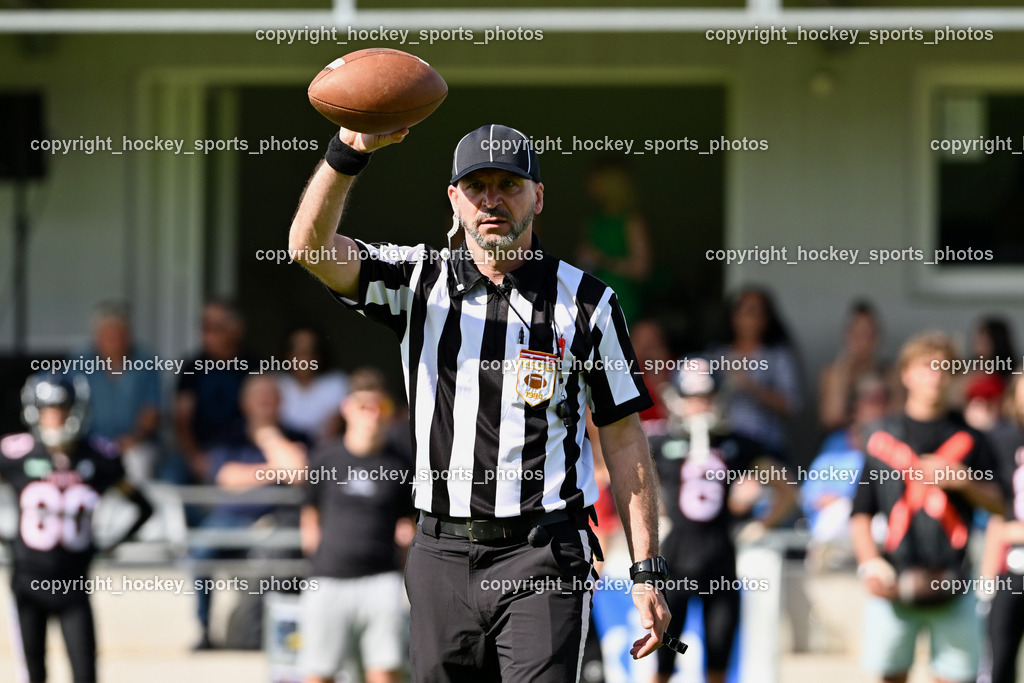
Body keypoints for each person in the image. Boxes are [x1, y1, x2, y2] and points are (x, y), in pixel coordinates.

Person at [288, 123, 670, 681]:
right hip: (440, 552)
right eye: (476, 186)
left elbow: (622, 433)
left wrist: (646, 569)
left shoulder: (588, 302)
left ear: (538, 197)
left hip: (544, 554)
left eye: (508, 185)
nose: (492, 200)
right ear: (454, 199)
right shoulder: (418, 281)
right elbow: (308, 248)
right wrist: (348, 152)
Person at [850, 332, 1004, 683]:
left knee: (953, 677)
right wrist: (869, 564)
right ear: (905, 374)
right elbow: (860, 512)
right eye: (925, 367)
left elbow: (1000, 506)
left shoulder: (973, 438)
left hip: (955, 582)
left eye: (943, 368)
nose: (934, 376)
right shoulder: (880, 437)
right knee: (891, 675)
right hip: (894, 582)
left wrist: (965, 481)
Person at [650, 359, 796, 683]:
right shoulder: (661, 443)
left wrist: (759, 525)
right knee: (663, 662)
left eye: (706, 396)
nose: (700, 404)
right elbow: (618, 479)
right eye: (692, 397)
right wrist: (654, 515)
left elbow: (787, 490)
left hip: (721, 562)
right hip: (673, 563)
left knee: (718, 664)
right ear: (678, 399)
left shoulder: (737, 444)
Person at [2, 373, 153, 683]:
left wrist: (109, 543)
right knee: (33, 675)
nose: (55, 417)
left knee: (85, 674)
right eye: (48, 410)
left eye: (62, 409)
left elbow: (143, 506)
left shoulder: (98, 456)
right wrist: (6, 542)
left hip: (74, 584)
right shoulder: (17, 454)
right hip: (27, 583)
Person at [299, 368, 415, 683]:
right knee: (319, 672)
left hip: (382, 582)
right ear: (347, 408)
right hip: (328, 579)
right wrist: (318, 557)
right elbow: (310, 514)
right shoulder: (325, 457)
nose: (372, 415)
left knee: (385, 670)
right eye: (364, 406)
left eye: (381, 407)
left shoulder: (401, 464)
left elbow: (408, 524)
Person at [190, 374, 308, 650]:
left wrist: (269, 437)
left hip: (279, 521)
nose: (265, 402)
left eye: (271, 396)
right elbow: (227, 477)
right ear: (245, 404)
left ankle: (284, 639)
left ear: (281, 402)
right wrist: (277, 469)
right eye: (259, 397)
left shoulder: (298, 434)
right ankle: (204, 631)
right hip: (231, 521)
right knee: (197, 552)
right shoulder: (229, 435)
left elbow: (300, 473)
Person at [802, 375, 888, 568]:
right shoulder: (835, 444)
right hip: (836, 531)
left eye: (881, 403)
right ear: (856, 407)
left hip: (877, 525)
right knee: (840, 512)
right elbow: (812, 496)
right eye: (870, 402)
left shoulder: (892, 444)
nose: (876, 409)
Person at [711, 286, 802, 464]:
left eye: (760, 313)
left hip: (765, 445)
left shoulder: (777, 356)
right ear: (734, 316)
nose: (753, 319)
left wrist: (751, 386)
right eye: (747, 311)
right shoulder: (716, 354)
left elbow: (792, 405)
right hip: (722, 446)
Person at [74, 300, 162, 484]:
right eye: (108, 334)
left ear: (128, 335)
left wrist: (131, 439)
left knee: (136, 465)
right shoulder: (79, 361)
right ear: (97, 336)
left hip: (134, 443)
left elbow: (151, 412)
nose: (114, 339)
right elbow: (71, 407)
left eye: (119, 333)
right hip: (89, 443)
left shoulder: (146, 361)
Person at [173, 300, 252, 483]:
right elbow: (181, 421)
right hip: (197, 451)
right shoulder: (192, 367)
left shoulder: (255, 368)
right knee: (169, 479)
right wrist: (195, 457)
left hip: (243, 453)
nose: (207, 334)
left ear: (236, 329)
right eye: (204, 327)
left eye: (215, 327)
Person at [979, 375, 1024, 683]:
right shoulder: (1002, 440)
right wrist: (987, 577)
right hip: (1012, 568)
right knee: (1000, 659)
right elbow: (998, 514)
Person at [576, 158, 652, 325]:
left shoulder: (631, 220)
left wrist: (602, 260)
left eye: (596, 179)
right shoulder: (594, 219)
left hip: (624, 304)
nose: (589, 184)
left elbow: (641, 269)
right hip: (593, 304)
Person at [819, 301, 891, 431]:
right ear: (848, 334)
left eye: (868, 333)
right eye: (857, 333)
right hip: (841, 441)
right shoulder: (833, 372)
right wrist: (844, 369)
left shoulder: (889, 372)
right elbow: (831, 418)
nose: (863, 340)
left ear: (877, 335)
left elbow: (898, 415)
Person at [275, 326, 348, 444]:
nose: (304, 358)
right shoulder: (275, 382)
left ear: (320, 355)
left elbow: (332, 434)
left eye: (310, 351)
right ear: (287, 354)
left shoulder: (336, 384)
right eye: (298, 351)